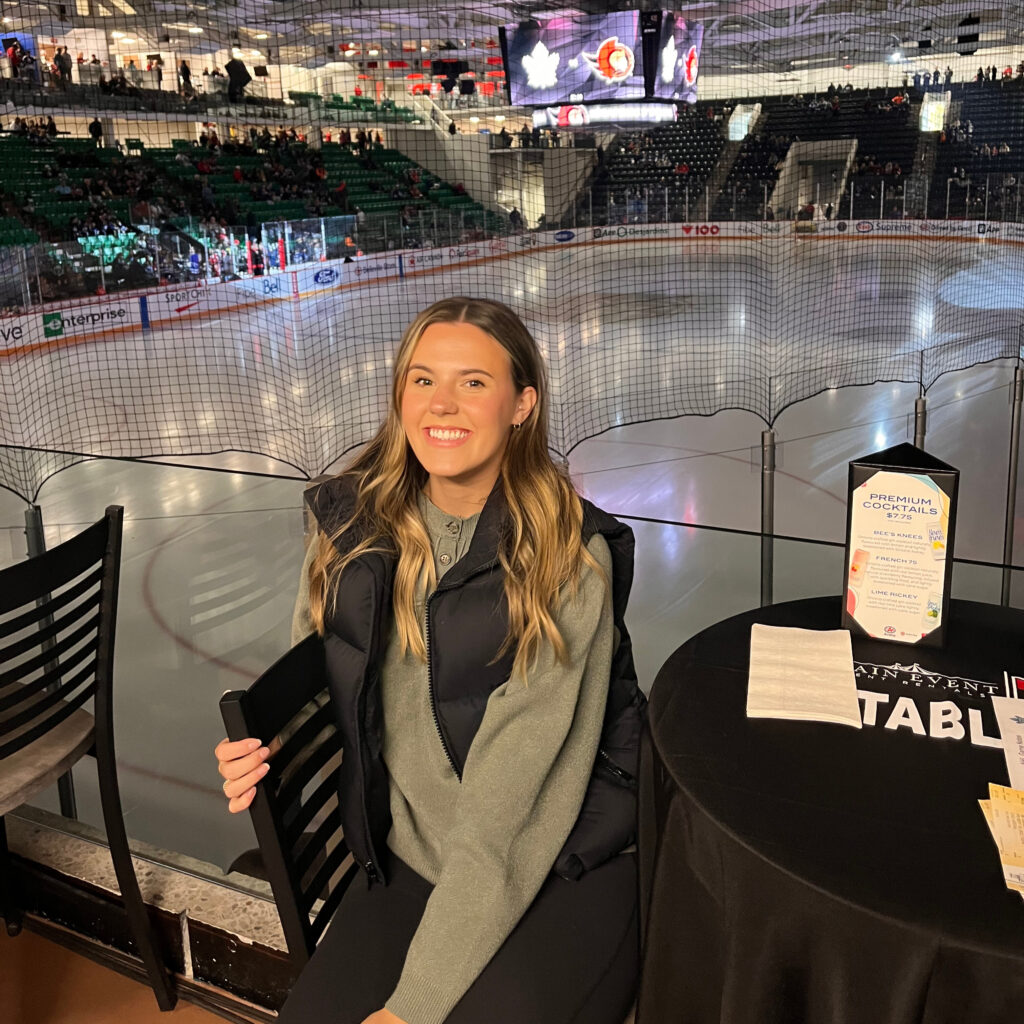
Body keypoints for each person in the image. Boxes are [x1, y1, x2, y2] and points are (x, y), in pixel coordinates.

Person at [214, 297, 643, 1024]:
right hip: (414, 861)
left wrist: (412, 1007)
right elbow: (326, 682)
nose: (441, 404)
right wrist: (272, 748)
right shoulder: (346, 528)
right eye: (422, 380)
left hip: (564, 863)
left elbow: (507, 819)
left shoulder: (568, 560)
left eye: (473, 382)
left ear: (521, 405)